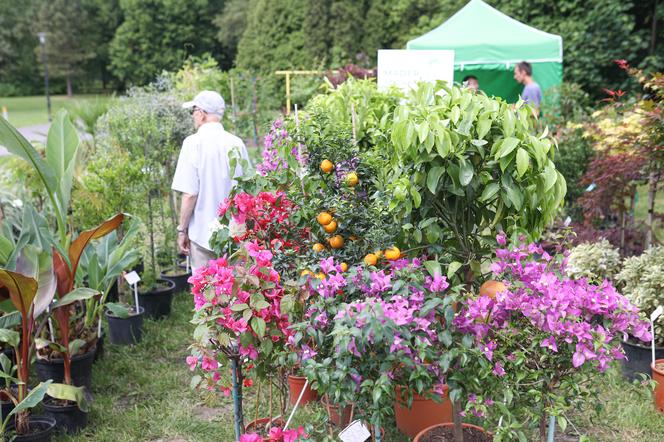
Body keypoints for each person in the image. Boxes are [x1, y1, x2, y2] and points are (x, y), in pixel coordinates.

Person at [172, 90, 250, 271]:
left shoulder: (193, 143)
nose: (193, 116)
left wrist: (182, 230)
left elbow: (190, 194)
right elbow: (247, 189)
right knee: (236, 292)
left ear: (201, 113)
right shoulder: (236, 143)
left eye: (193, 111)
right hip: (234, 233)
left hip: (202, 235)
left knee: (206, 293)